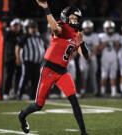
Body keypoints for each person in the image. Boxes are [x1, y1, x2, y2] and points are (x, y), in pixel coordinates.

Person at [18, 0, 89, 135]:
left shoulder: (77, 34)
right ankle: (22, 116)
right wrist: (46, 9)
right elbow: (56, 29)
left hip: (62, 72)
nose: (74, 20)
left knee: (74, 101)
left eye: (76, 18)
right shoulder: (62, 27)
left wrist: (82, 43)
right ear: (65, 17)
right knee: (38, 105)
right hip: (48, 69)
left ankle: (84, 133)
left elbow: (85, 55)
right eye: (72, 17)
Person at [16, 19, 45, 100]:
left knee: (36, 80)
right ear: (27, 28)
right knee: (25, 78)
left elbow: (42, 48)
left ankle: (33, 96)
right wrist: (18, 58)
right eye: (32, 28)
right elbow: (17, 47)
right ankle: (20, 94)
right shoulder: (25, 37)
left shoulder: (39, 37)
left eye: (35, 27)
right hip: (27, 61)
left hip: (37, 62)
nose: (34, 29)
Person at [98, 20, 120, 97]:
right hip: (105, 58)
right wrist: (104, 44)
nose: (110, 29)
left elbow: (118, 49)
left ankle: (113, 92)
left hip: (114, 57)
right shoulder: (101, 36)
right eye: (108, 28)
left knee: (113, 75)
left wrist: (116, 43)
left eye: (111, 28)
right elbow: (99, 49)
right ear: (105, 28)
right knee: (104, 75)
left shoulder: (116, 36)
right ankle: (102, 91)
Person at [3, 18, 23, 100]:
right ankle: (6, 93)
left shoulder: (21, 35)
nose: (16, 27)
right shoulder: (8, 34)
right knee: (9, 76)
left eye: (18, 25)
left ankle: (15, 92)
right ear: (11, 26)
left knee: (18, 76)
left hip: (19, 58)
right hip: (10, 58)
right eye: (15, 26)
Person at [79, 20, 99, 97]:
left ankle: (95, 91)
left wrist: (90, 55)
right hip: (83, 57)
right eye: (86, 28)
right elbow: (79, 47)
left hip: (92, 56)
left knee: (93, 75)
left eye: (89, 28)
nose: (88, 30)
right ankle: (83, 91)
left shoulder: (95, 36)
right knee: (84, 74)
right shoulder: (80, 35)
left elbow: (96, 47)